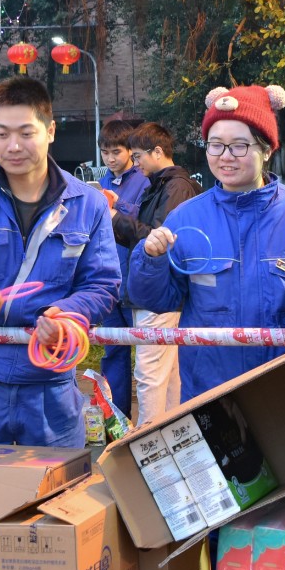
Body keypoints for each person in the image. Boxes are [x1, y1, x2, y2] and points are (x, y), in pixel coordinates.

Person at [0, 77, 119, 447]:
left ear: (50, 131)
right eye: (1, 134)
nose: (13, 146)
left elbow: (102, 285)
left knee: (56, 482)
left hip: (49, 381)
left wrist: (65, 314)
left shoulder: (88, 203)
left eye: (26, 133)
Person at [129, 84, 285, 400]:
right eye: (215, 145)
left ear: (267, 149)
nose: (225, 157)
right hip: (210, 388)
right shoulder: (185, 217)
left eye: (239, 145)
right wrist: (151, 259)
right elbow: (158, 300)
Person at [115, 122, 201, 422]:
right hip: (160, 292)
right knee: (168, 373)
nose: (135, 163)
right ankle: (170, 436)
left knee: (150, 373)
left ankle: (148, 438)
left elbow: (160, 237)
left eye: (138, 156)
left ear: (158, 152)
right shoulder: (166, 185)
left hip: (160, 291)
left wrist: (115, 218)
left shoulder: (176, 187)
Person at [96, 118, 149, 419]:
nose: (110, 159)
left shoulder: (144, 180)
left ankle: (150, 423)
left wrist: (119, 207)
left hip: (136, 281)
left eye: (116, 152)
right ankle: (116, 421)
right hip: (108, 282)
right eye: (105, 153)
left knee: (146, 354)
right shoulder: (101, 183)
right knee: (113, 351)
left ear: (130, 150)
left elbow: (145, 225)